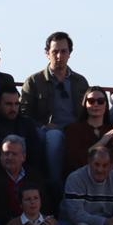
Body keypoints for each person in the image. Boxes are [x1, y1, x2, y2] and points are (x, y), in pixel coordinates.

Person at [21, 32, 89, 185]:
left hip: (75, 129)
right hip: (48, 130)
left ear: (70, 53)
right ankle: (55, 184)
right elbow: (24, 113)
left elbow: (89, 109)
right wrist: (42, 125)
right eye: (55, 52)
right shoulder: (34, 81)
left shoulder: (80, 81)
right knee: (54, 137)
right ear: (47, 53)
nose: (59, 56)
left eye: (63, 51)